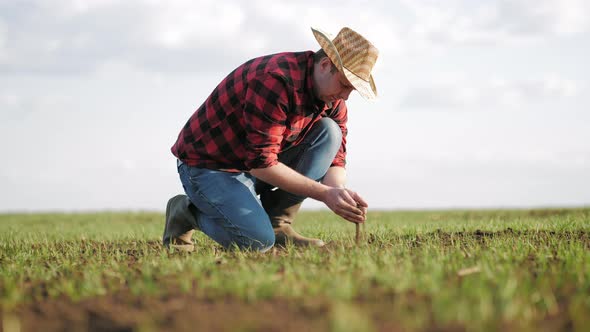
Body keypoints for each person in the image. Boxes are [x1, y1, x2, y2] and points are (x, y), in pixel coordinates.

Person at [163, 27, 379, 252]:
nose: (345, 95)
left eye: (351, 90)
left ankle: (279, 225)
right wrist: (325, 194)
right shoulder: (275, 80)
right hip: (210, 167)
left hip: (253, 163)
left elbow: (336, 159)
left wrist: (339, 193)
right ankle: (186, 212)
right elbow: (261, 164)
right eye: (344, 84)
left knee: (329, 131)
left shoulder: (332, 99)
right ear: (325, 65)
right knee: (257, 243)